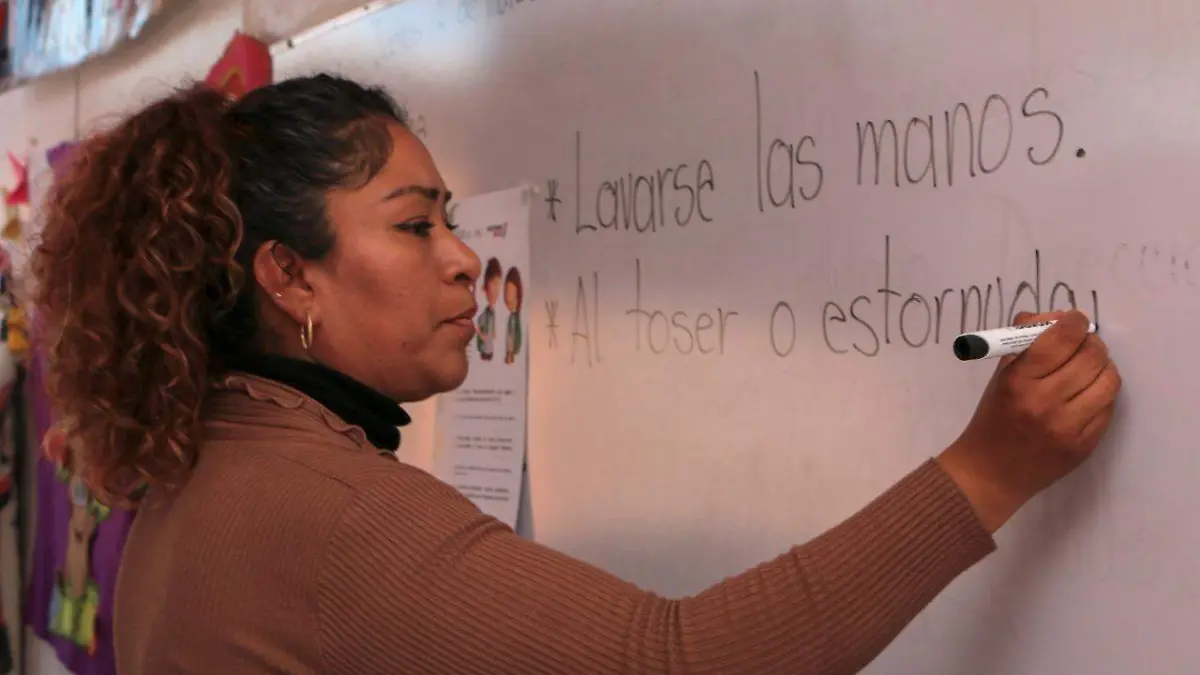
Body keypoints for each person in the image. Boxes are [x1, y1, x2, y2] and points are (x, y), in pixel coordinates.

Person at [29, 73, 1122, 674]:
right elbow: (682, 663)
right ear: (288, 274)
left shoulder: (203, 470)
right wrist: (988, 470)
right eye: (414, 226)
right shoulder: (330, 513)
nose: (464, 258)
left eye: (453, 221)